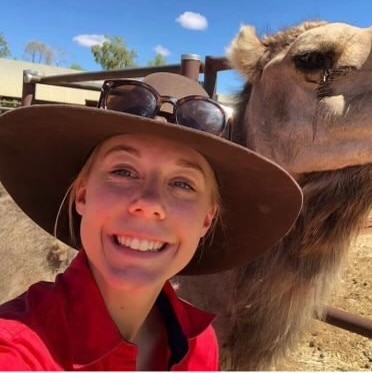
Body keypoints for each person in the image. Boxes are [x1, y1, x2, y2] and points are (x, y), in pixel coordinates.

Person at [0, 72, 303, 370]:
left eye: (183, 184)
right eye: (123, 171)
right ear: (83, 195)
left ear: (206, 221)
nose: (149, 204)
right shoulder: (16, 351)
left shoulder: (201, 347)